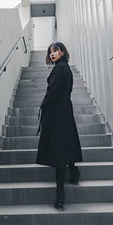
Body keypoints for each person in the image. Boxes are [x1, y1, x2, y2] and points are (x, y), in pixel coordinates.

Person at [36, 42, 82, 210]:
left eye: (55, 50)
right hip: (63, 111)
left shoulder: (61, 69)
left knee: (58, 153)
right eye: (50, 51)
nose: (52, 53)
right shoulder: (63, 67)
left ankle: (60, 195)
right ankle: (74, 172)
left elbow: (53, 92)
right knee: (65, 146)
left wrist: (44, 105)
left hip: (57, 112)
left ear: (62, 51)